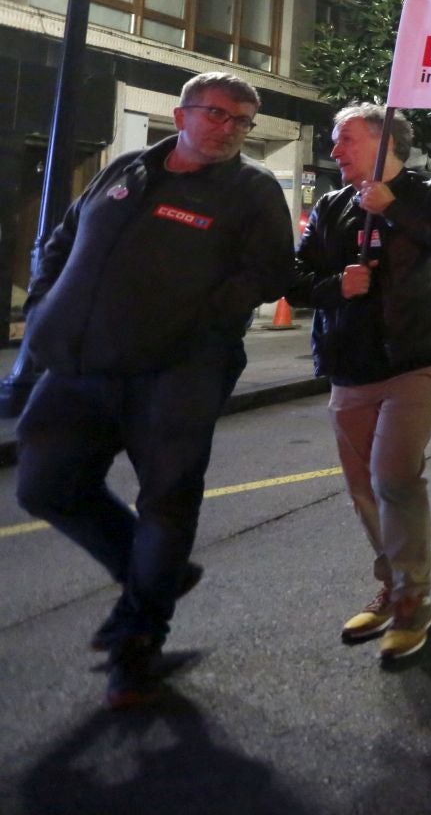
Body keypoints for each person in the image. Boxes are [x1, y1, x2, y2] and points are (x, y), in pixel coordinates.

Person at [5, 72, 292, 707]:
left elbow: (270, 271)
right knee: (44, 484)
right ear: (180, 113)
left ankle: (139, 639)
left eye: (241, 121)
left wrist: (201, 321)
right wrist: (49, 300)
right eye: (216, 114)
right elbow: (61, 239)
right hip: (79, 367)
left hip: (176, 372)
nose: (227, 129)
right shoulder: (127, 170)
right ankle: (155, 574)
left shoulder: (252, 190)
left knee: (167, 500)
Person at [291, 105, 431, 663]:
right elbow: (296, 279)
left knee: (393, 474)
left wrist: (394, 210)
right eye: (334, 140)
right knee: (363, 488)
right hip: (350, 360)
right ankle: (391, 585)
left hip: (418, 355)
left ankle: (414, 598)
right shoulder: (330, 205)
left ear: (383, 141)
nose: (335, 149)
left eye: (345, 139)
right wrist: (333, 288)